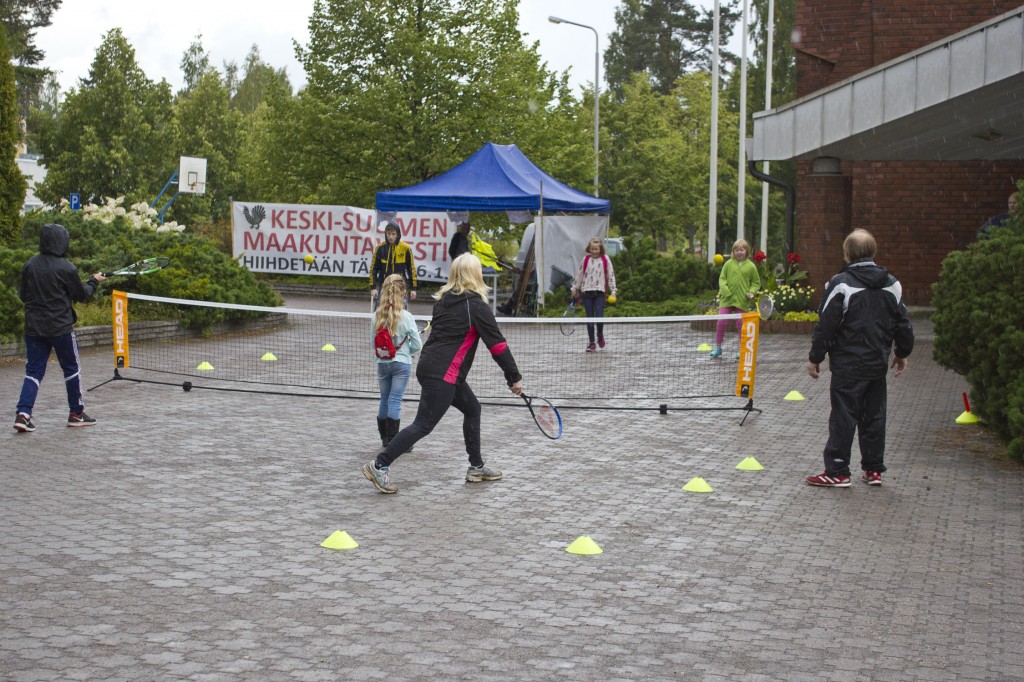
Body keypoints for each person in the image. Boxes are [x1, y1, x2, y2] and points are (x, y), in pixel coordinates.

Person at [362, 253, 523, 494]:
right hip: (443, 374)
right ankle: (379, 465)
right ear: (475, 275)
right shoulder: (477, 306)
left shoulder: (443, 301)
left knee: (472, 408)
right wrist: (514, 377)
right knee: (423, 424)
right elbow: (497, 345)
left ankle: (476, 467)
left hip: (431, 368)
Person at [805, 228, 915, 488]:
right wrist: (901, 353)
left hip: (848, 365)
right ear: (873, 252)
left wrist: (815, 357)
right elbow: (904, 324)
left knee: (843, 416)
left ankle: (838, 471)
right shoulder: (892, 283)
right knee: (874, 416)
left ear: (847, 253)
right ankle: (873, 470)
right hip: (877, 364)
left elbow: (826, 325)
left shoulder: (841, 283)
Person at [13, 223, 107, 432]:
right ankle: (76, 413)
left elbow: (22, 294)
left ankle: (23, 413)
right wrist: (94, 281)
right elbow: (82, 294)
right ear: (62, 242)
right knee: (71, 369)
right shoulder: (66, 267)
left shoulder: (30, 264)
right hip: (61, 328)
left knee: (33, 371)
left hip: (34, 328)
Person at [373, 274, 423, 449]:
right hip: (401, 364)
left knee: (384, 399)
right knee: (395, 400)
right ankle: (395, 443)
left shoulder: (376, 316)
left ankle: (385, 439)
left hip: (382, 362)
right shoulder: (407, 316)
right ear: (403, 293)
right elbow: (417, 344)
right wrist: (405, 350)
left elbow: (375, 341)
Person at [710, 239, 760, 359]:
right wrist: (726, 290)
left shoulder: (751, 266)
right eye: (736, 250)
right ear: (733, 251)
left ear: (746, 251)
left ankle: (742, 349)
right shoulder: (728, 264)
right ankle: (718, 347)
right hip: (726, 299)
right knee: (722, 321)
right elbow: (722, 279)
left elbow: (756, 283)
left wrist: (751, 292)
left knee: (741, 324)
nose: (739, 252)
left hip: (742, 300)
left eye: (741, 250)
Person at [570, 237, 617, 352]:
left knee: (599, 317)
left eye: (596, 249)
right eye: (592, 249)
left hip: (599, 293)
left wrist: (613, 291)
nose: (594, 251)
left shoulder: (605, 259)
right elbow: (579, 274)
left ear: (600, 249)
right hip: (586, 293)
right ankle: (591, 343)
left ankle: (599, 334)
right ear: (589, 249)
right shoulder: (585, 260)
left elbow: (610, 275)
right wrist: (574, 288)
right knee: (590, 319)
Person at [369, 220, 417, 308]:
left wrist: (413, 289)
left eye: (393, 234)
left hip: (400, 287)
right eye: (388, 233)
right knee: (380, 312)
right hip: (384, 286)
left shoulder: (406, 248)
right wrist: (373, 287)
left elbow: (411, 269)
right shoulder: (379, 248)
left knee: (401, 313)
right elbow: (373, 269)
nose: (391, 237)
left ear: (398, 234)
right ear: (385, 234)